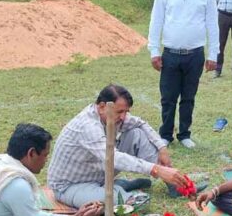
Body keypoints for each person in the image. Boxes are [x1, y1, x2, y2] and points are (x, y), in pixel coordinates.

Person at [47, 84, 195, 208]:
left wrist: (162, 148)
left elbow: (141, 123)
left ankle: (175, 186)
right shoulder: (87, 126)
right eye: (120, 111)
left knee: (137, 133)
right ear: (102, 106)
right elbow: (113, 158)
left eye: (126, 111)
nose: (124, 117)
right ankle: (118, 188)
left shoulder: (113, 115)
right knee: (123, 203)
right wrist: (156, 169)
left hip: (98, 173)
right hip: (71, 186)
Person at [148, 0, 219, 149]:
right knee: (168, 97)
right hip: (170, 54)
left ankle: (185, 134)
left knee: (188, 97)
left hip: (195, 55)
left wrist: (213, 55)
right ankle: (165, 135)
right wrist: (154, 51)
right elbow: (156, 22)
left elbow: (213, 26)